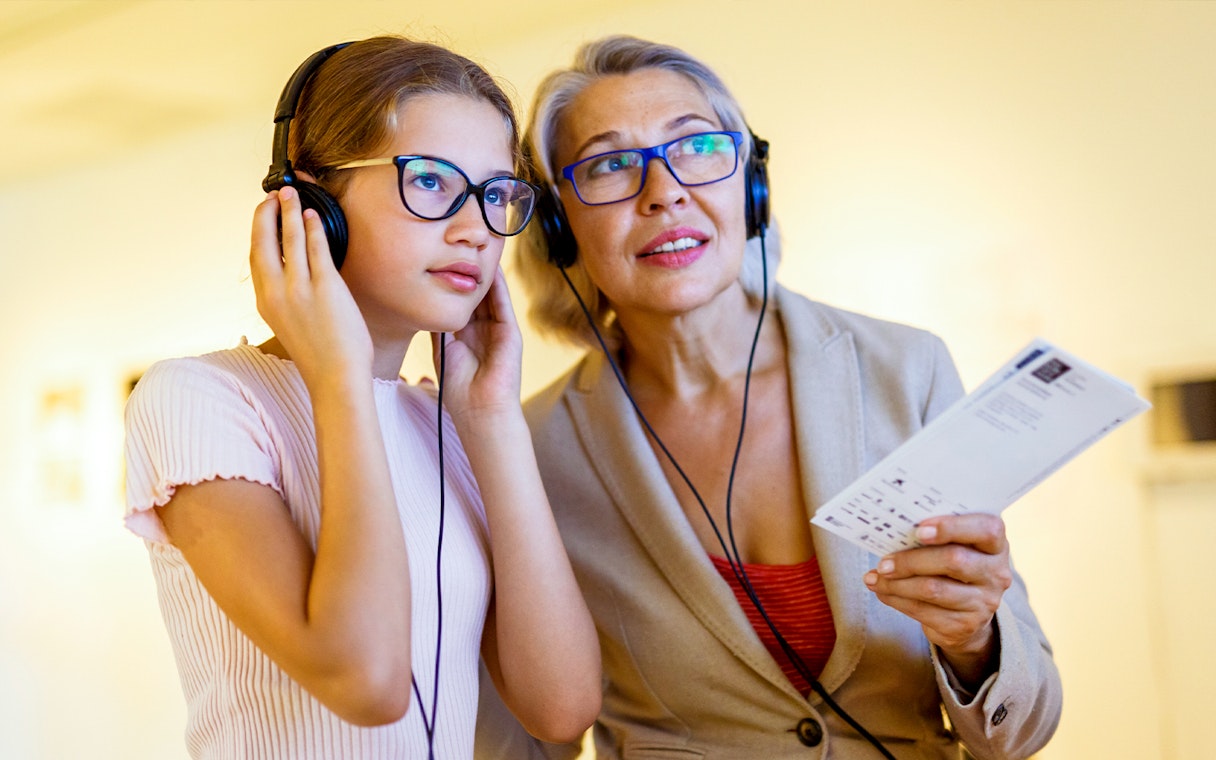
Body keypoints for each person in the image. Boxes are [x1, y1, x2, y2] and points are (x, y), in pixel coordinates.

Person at [475, 35, 1061, 759]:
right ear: (561, 227)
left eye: (696, 148)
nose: (664, 192)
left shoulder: (904, 370)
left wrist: (974, 639)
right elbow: (525, 741)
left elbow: (1024, 731)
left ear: (751, 184)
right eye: (611, 164)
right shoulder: (533, 448)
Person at [124, 36, 599, 760]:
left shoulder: (443, 420)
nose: (476, 230)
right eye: (433, 181)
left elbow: (560, 710)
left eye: (497, 193)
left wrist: (492, 420)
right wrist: (339, 377)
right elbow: (368, 681)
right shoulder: (200, 398)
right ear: (309, 203)